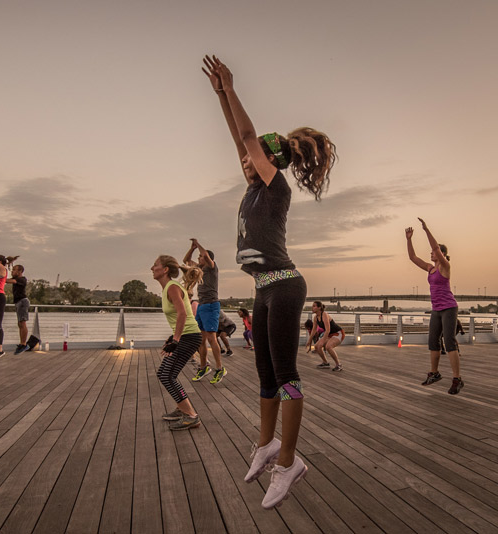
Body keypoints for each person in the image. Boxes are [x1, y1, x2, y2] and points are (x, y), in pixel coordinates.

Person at [204, 54, 337, 509]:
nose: (244, 158)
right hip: (265, 288)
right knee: (264, 376)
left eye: (254, 155)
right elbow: (238, 138)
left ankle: (289, 462)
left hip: (284, 285)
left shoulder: (275, 185)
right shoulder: (252, 189)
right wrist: (220, 94)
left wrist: (232, 88)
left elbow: (245, 135)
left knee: (287, 377)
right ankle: (265, 445)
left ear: (269, 161)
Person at [405, 218, 463, 394]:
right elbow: (413, 258)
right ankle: (435, 373)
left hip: (449, 307)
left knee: (449, 342)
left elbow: (436, 247)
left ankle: (457, 379)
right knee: (433, 342)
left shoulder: (445, 266)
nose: (431, 253)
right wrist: (409, 239)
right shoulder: (430, 268)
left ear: (442, 254)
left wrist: (426, 229)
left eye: (434, 251)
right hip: (436, 309)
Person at [151, 255, 204, 430]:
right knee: (165, 374)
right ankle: (182, 409)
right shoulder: (168, 288)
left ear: (165, 269)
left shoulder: (172, 287)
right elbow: (181, 316)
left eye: (155, 265)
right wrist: (172, 337)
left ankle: (191, 416)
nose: (152, 268)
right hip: (186, 335)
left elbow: (182, 313)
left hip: (189, 337)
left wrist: (176, 340)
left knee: (167, 375)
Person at [184, 239, 226, 384]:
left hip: (211, 305)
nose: (199, 258)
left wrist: (198, 244)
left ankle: (220, 369)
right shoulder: (199, 269)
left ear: (207, 258)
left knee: (211, 338)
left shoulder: (212, 267)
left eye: (201, 257)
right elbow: (186, 260)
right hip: (202, 306)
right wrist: (192, 248)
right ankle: (204, 367)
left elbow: (206, 256)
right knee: (200, 339)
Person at [308, 301, 344, 371]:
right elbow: (314, 330)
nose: (312, 307)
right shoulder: (315, 318)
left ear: (319, 308)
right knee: (317, 346)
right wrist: (309, 341)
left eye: (314, 306)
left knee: (328, 346)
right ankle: (325, 363)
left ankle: (339, 365)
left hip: (338, 333)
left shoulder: (324, 314)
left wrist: (323, 341)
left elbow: (327, 330)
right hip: (330, 335)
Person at [6, 261, 31, 354]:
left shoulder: (22, 279)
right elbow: (9, 279)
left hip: (22, 302)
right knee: (20, 323)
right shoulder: (16, 278)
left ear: (20, 271)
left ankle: (24, 344)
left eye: (14, 270)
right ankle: (22, 343)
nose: (12, 272)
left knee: (22, 323)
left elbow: (9, 281)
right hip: (18, 302)